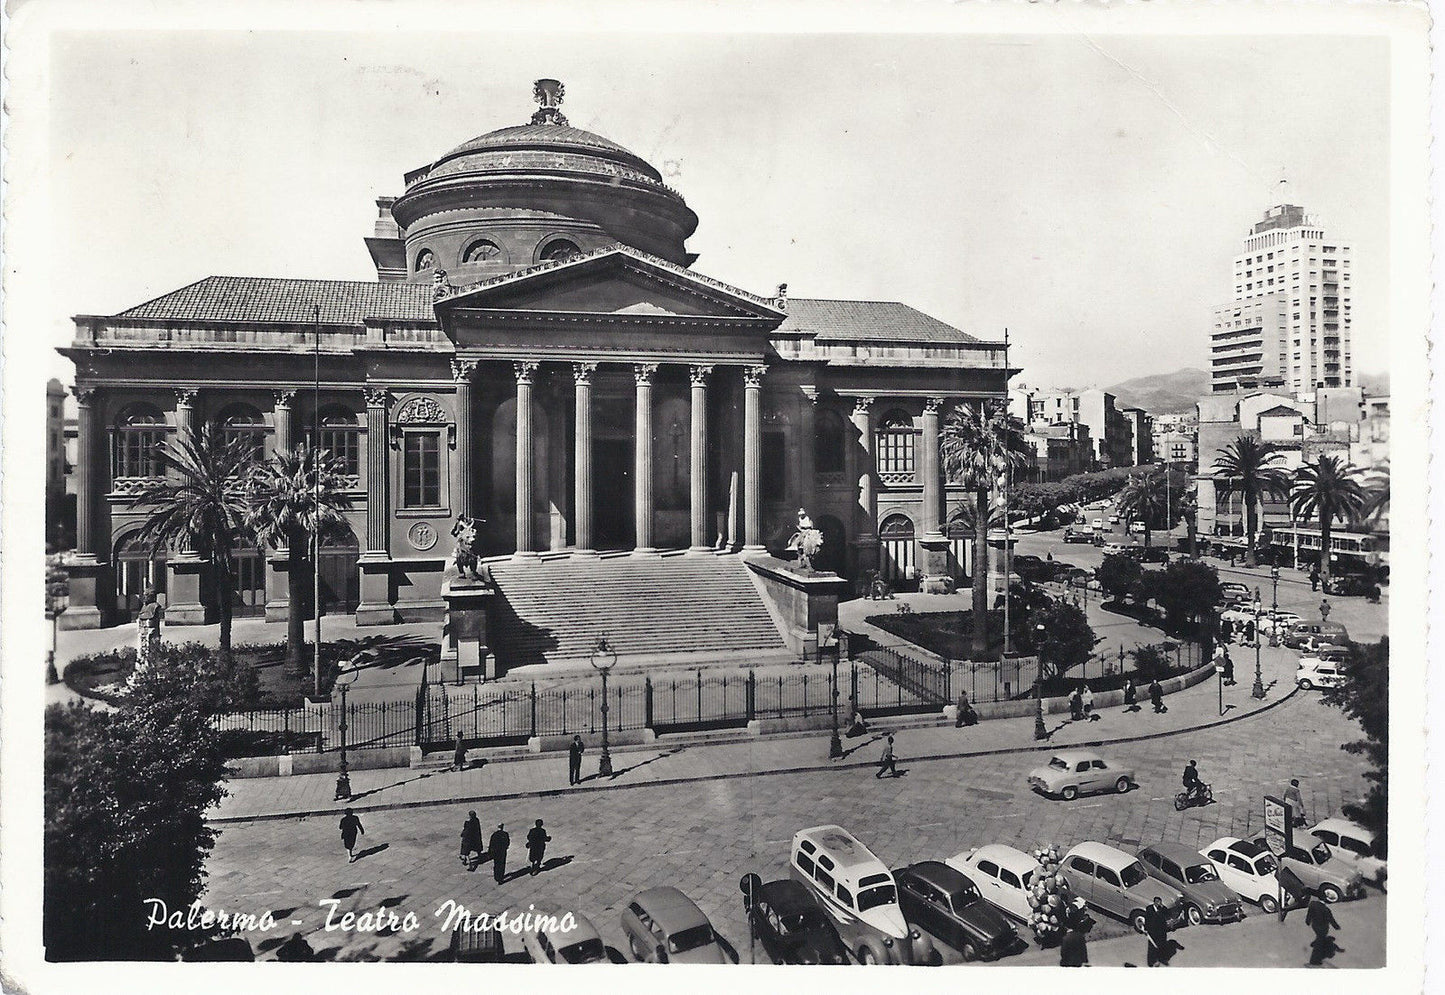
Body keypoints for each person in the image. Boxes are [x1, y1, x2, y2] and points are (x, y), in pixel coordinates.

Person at [1305, 894, 1341, 966]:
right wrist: (1336, 927)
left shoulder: (1313, 904)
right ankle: (1314, 961)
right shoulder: (1326, 909)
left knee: (1319, 939)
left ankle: (1318, 948)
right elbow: (1331, 919)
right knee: (1319, 944)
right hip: (1323, 928)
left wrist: (1308, 922)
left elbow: (1309, 915)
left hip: (1315, 926)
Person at [1058, 899, 1091, 967]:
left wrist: (1064, 959)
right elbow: (1083, 948)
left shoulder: (1066, 938)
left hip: (1068, 960)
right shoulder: (1080, 936)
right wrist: (1085, 959)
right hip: (1077, 960)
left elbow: (1064, 951)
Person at [1143, 896, 1173, 966]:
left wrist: (1163, 907)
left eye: (1160, 902)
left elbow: (1168, 914)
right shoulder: (1149, 909)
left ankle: (1160, 959)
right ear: (1154, 902)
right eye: (1157, 902)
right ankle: (1151, 962)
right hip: (1152, 931)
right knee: (1152, 947)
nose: (1158, 904)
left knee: (1161, 945)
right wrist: (1145, 929)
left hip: (1161, 931)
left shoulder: (1162, 908)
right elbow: (1147, 919)